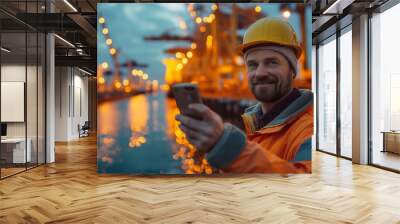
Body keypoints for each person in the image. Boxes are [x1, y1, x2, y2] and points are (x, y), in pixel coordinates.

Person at [175, 17, 313, 173]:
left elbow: (305, 186)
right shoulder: (256, 122)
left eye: (272, 62)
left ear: (292, 70)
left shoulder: (309, 128)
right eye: (252, 65)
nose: (260, 73)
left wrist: (225, 144)